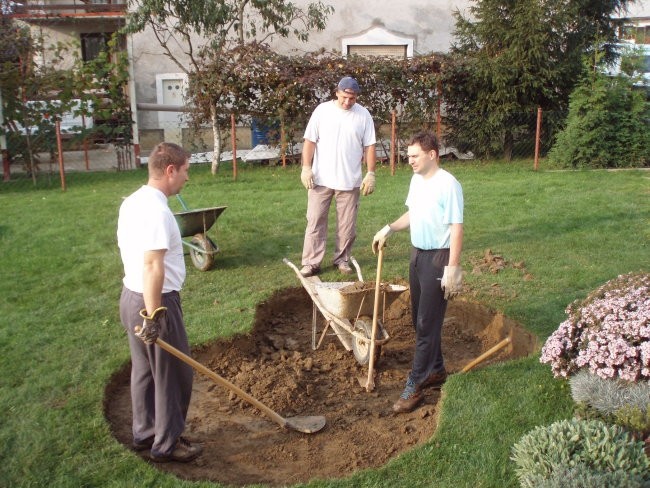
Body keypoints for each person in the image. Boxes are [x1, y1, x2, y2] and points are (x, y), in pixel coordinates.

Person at [117, 142, 202, 462]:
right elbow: (153, 265)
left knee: (145, 370)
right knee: (174, 375)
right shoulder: (157, 212)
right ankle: (167, 443)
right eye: (185, 171)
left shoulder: (133, 201)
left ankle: (145, 431)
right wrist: (154, 316)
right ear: (170, 170)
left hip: (130, 296)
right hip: (155, 301)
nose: (186, 178)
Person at [372, 131, 464, 414]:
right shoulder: (416, 180)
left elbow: (456, 227)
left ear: (432, 154)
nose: (408, 160)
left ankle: (417, 383)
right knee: (419, 319)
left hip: (438, 258)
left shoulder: (448, 185)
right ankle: (435, 370)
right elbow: (413, 214)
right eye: (408, 155)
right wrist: (388, 228)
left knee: (426, 322)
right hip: (417, 255)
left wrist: (452, 267)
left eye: (414, 156)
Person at [299, 76, 377, 277]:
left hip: (349, 181)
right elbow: (309, 141)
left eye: (352, 98)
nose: (347, 102)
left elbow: (369, 146)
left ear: (356, 97)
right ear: (337, 92)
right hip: (321, 179)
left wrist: (370, 173)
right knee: (315, 220)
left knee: (347, 225)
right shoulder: (322, 111)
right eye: (344, 97)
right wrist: (306, 168)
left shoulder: (363, 115)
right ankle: (311, 263)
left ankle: (342, 260)